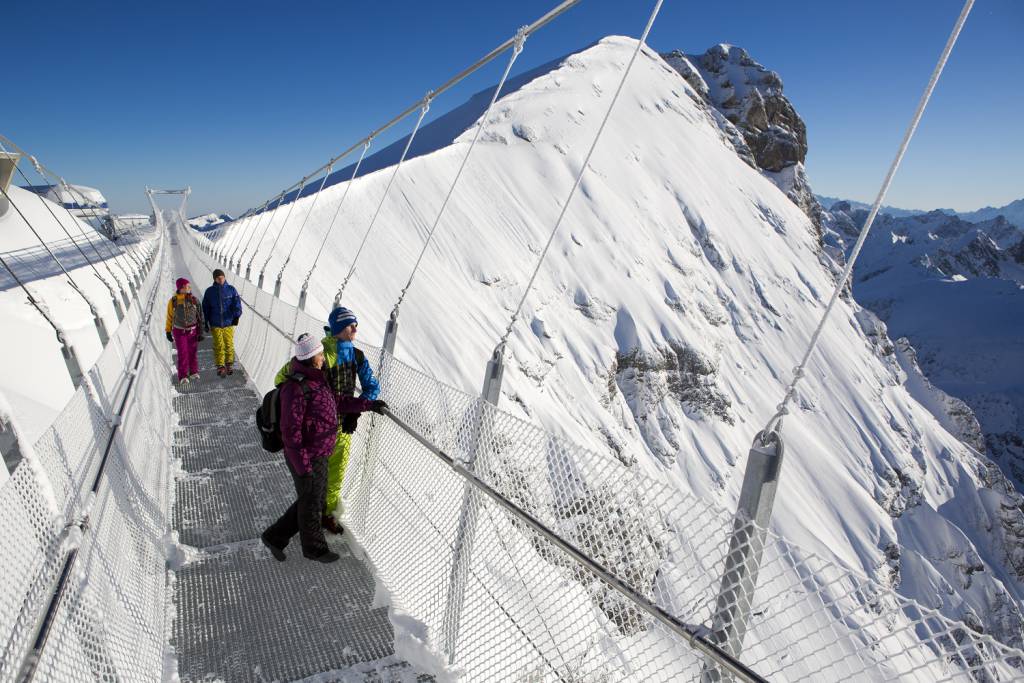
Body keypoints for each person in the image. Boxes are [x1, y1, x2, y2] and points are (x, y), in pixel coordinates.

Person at [261, 333, 385, 563]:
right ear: (310, 357)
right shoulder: (295, 388)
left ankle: (274, 536)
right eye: (319, 353)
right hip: (306, 454)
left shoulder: (318, 379)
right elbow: (291, 433)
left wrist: (368, 405)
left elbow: (337, 402)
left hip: (319, 452)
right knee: (312, 499)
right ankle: (314, 548)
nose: (322, 357)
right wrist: (303, 466)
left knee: (312, 498)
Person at [273, 306, 380, 535]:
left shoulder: (356, 355)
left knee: (334, 476)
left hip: (341, 427)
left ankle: (325, 515)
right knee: (313, 478)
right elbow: (283, 377)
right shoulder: (319, 351)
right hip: (316, 431)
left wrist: (354, 412)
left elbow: (372, 386)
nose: (356, 329)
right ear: (340, 328)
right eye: (352, 325)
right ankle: (311, 519)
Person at [201, 268, 242, 377]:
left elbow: (237, 303)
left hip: (228, 322)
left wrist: (237, 316)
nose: (221, 280)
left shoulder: (231, 290)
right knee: (219, 344)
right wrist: (206, 322)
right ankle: (220, 365)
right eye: (218, 278)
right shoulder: (209, 292)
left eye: (222, 277)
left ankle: (229, 363)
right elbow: (206, 307)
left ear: (224, 277)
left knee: (228, 343)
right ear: (215, 279)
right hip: (215, 323)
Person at [165, 277, 204, 385]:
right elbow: (169, 316)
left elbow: (200, 316)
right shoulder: (173, 301)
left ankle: (193, 372)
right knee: (183, 353)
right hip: (179, 331)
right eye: (187, 286)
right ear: (181, 288)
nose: (189, 288)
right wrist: (168, 331)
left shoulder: (194, 299)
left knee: (193, 352)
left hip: (192, 330)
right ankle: (183, 376)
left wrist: (201, 331)